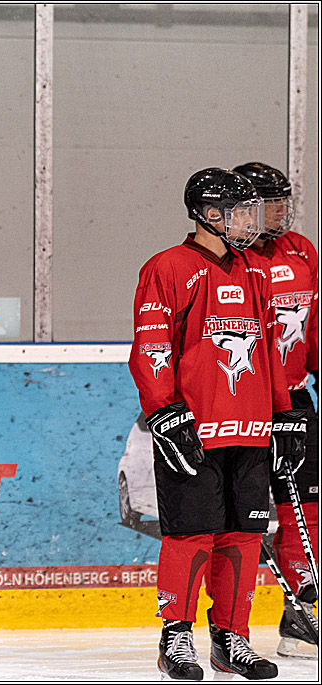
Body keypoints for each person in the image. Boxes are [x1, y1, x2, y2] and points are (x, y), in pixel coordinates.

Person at [128, 168, 307, 681]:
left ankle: (232, 638)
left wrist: (283, 413)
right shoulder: (168, 267)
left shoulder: (253, 271)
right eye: (240, 211)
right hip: (195, 429)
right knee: (191, 534)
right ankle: (176, 638)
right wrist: (164, 410)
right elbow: (152, 344)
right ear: (209, 214)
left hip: (251, 429)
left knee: (244, 535)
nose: (252, 221)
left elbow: (270, 350)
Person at [233, 162, 319, 658]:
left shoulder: (302, 250)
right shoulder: (232, 260)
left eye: (285, 200)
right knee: (239, 517)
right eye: (271, 202)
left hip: (295, 402)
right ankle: (230, 628)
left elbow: (313, 326)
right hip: (243, 404)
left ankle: (300, 615)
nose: (282, 211)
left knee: (303, 512)